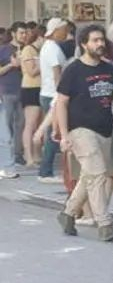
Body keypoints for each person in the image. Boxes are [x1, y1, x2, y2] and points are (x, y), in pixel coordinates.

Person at [54, 24, 113, 242]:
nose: (100, 44)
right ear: (84, 44)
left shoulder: (109, 68)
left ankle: (67, 213)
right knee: (97, 175)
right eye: (95, 40)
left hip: (105, 129)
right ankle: (104, 224)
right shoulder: (73, 70)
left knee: (90, 175)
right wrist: (65, 134)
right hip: (80, 130)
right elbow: (61, 103)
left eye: (101, 40)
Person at [36, 18, 71, 181]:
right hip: (52, 94)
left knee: (53, 133)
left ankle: (46, 169)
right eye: (64, 29)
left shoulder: (51, 47)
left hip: (49, 92)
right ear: (56, 31)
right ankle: (45, 171)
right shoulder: (52, 49)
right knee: (53, 134)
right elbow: (58, 75)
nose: (66, 33)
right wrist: (61, 94)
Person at [0, 25, 21, 180]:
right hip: (6, 93)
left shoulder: (26, 48)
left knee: (7, 135)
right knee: (6, 133)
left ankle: (8, 167)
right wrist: (11, 65)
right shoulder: (4, 50)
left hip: (15, 93)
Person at [19, 23, 41, 169]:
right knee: (30, 124)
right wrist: (42, 62)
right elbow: (31, 71)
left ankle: (37, 154)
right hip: (30, 88)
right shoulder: (28, 50)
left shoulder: (37, 50)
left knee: (39, 124)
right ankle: (28, 156)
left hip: (40, 87)